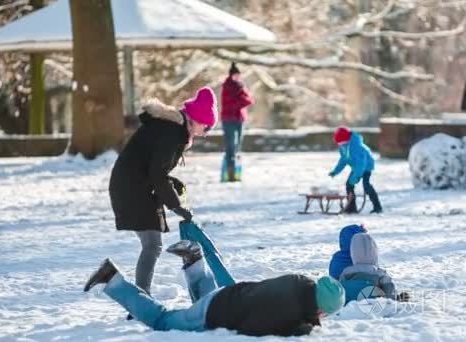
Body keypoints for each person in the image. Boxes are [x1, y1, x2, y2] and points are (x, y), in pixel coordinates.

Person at [83, 240, 345, 337]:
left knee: (207, 296)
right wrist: (296, 329)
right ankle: (113, 280)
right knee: (163, 321)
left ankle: (196, 260)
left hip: (229, 293)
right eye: (325, 314)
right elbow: (250, 328)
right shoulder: (289, 313)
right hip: (217, 312)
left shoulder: (299, 282)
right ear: (321, 308)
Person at [108, 87, 217, 303]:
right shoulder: (172, 132)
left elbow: (154, 167)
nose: (206, 132)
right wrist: (176, 206)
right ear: (196, 120)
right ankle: (141, 299)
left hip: (134, 184)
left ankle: (140, 296)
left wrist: (171, 184)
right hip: (132, 187)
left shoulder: (174, 129)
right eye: (207, 126)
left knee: (151, 244)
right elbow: (156, 173)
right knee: (152, 244)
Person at [338, 233, 407, 304]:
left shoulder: (346, 272)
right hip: (374, 307)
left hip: (350, 307)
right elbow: (389, 295)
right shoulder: (380, 273)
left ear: (353, 253)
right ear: (374, 253)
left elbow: (340, 292)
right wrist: (397, 298)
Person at [329, 127, 383, 214]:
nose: (339, 144)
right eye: (339, 143)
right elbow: (343, 160)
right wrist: (335, 171)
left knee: (366, 186)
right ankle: (351, 207)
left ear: (346, 140)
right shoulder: (344, 147)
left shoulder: (357, 147)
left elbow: (361, 165)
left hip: (366, 166)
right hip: (356, 167)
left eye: (341, 142)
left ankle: (378, 207)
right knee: (349, 185)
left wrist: (356, 177)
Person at [221, 62, 254, 181]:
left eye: (238, 75)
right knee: (230, 146)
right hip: (228, 119)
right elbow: (231, 103)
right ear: (230, 75)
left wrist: (241, 101)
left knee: (237, 146)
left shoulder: (241, 86)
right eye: (235, 75)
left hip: (240, 119)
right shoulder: (227, 86)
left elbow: (249, 100)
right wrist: (241, 101)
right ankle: (230, 173)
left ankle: (235, 171)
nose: (237, 78)